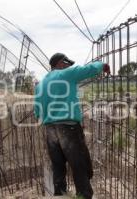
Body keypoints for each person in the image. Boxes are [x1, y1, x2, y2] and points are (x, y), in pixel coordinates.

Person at [34, 53, 110, 199]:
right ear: (61, 64)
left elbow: (37, 111)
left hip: (50, 129)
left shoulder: (41, 84)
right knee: (79, 165)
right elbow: (86, 70)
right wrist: (102, 66)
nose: (69, 67)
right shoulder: (65, 74)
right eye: (67, 64)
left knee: (58, 166)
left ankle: (60, 195)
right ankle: (84, 196)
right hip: (68, 128)